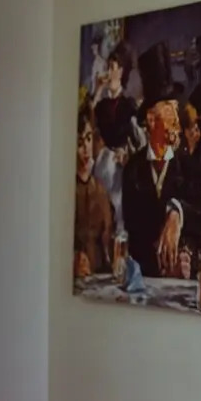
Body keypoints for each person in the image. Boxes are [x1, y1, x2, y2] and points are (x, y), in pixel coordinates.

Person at [122, 42, 201, 278]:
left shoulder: (189, 165)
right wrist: (160, 264)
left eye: (176, 109)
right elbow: (134, 238)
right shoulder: (132, 171)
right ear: (151, 119)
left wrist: (177, 213)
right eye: (169, 109)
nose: (176, 118)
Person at [93, 44, 137, 243]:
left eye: (112, 68)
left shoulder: (129, 105)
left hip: (121, 162)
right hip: (104, 159)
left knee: (119, 203)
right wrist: (99, 89)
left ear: (121, 71)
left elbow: (137, 139)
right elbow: (89, 121)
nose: (109, 72)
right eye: (108, 67)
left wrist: (126, 152)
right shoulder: (101, 105)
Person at [74, 103, 113, 277]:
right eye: (79, 143)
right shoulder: (66, 192)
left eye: (89, 139)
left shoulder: (101, 191)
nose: (86, 148)